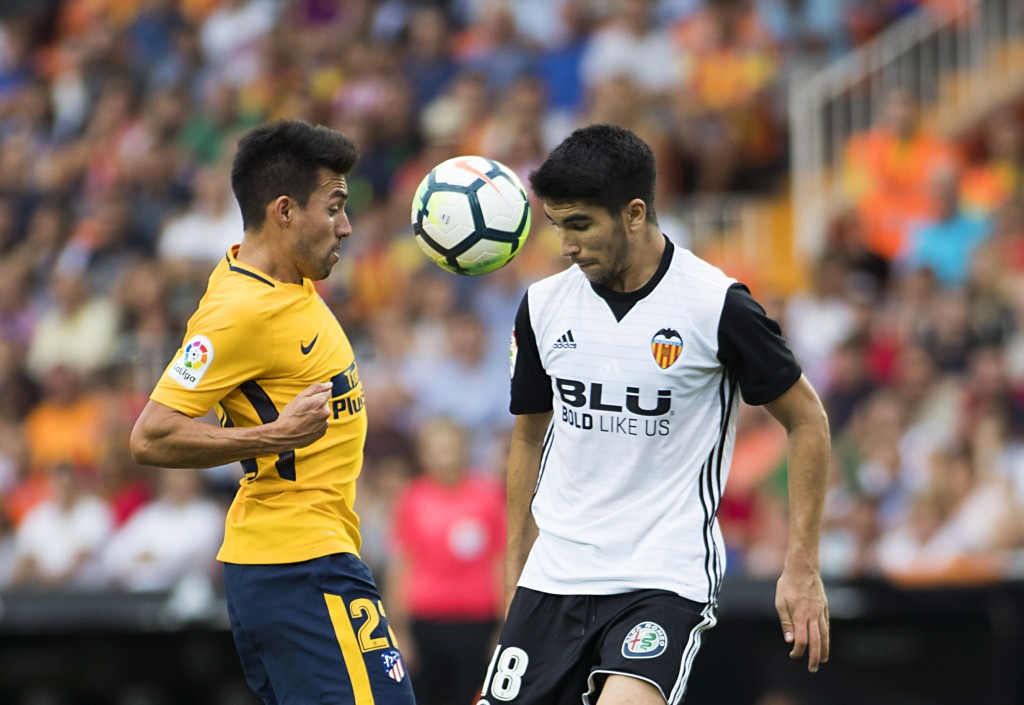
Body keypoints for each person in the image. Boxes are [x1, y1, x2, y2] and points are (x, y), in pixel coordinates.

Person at [478, 124, 831, 705]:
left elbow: (807, 421)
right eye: (557, 225)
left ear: (634, 213)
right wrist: (517, 565)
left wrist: (801, 567)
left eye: (580, 224)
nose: (566, 244)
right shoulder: (542, 306)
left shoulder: (717, 305)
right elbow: (527, 438)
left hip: (662, 576)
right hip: (555, 574)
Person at [130, 119, 415, 705]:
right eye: (334, 207)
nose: (347, 226)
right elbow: (151, 436)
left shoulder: (287, 279)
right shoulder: (240, 312)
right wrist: (275, 435)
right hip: (299, 563)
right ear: (284, 210)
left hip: (297, 560)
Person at [387, 417, 506, 705]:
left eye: (452, 448)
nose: (446, 457)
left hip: (478, 625)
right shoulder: (413, 498)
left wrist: (504, 629)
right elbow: (401, 564)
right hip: (425, 625)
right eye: (437, 450)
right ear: (424, 454)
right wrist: (398, 631)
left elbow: (500, 562)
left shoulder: (488, 496)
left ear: (465, 449)